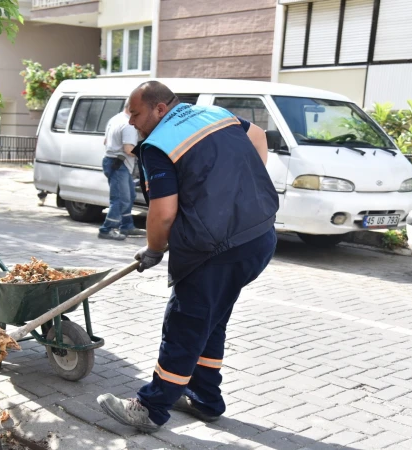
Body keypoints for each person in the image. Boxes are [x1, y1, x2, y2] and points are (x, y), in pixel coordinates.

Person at [96, 81, 278, 432]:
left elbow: (163, 213)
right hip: (259, 235)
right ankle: (205, 398)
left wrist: (154, 250)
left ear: (159, 109)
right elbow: (258, 138)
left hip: (214, 250)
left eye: (135, 113)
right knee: (212, 319)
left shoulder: (158, 146)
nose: (131, 122)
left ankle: (150, 408)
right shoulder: (215, 114)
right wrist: (238, 188)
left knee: (185, 324)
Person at [98, 100, 147, 240]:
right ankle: (107, 229)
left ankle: (127, 226)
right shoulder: (129, 125)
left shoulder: (115, 119)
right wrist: (146, 153)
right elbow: (128, 149)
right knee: (120, 199)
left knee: (129, 195)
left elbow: (105, 141)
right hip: (120, 165)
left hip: (112, 162)